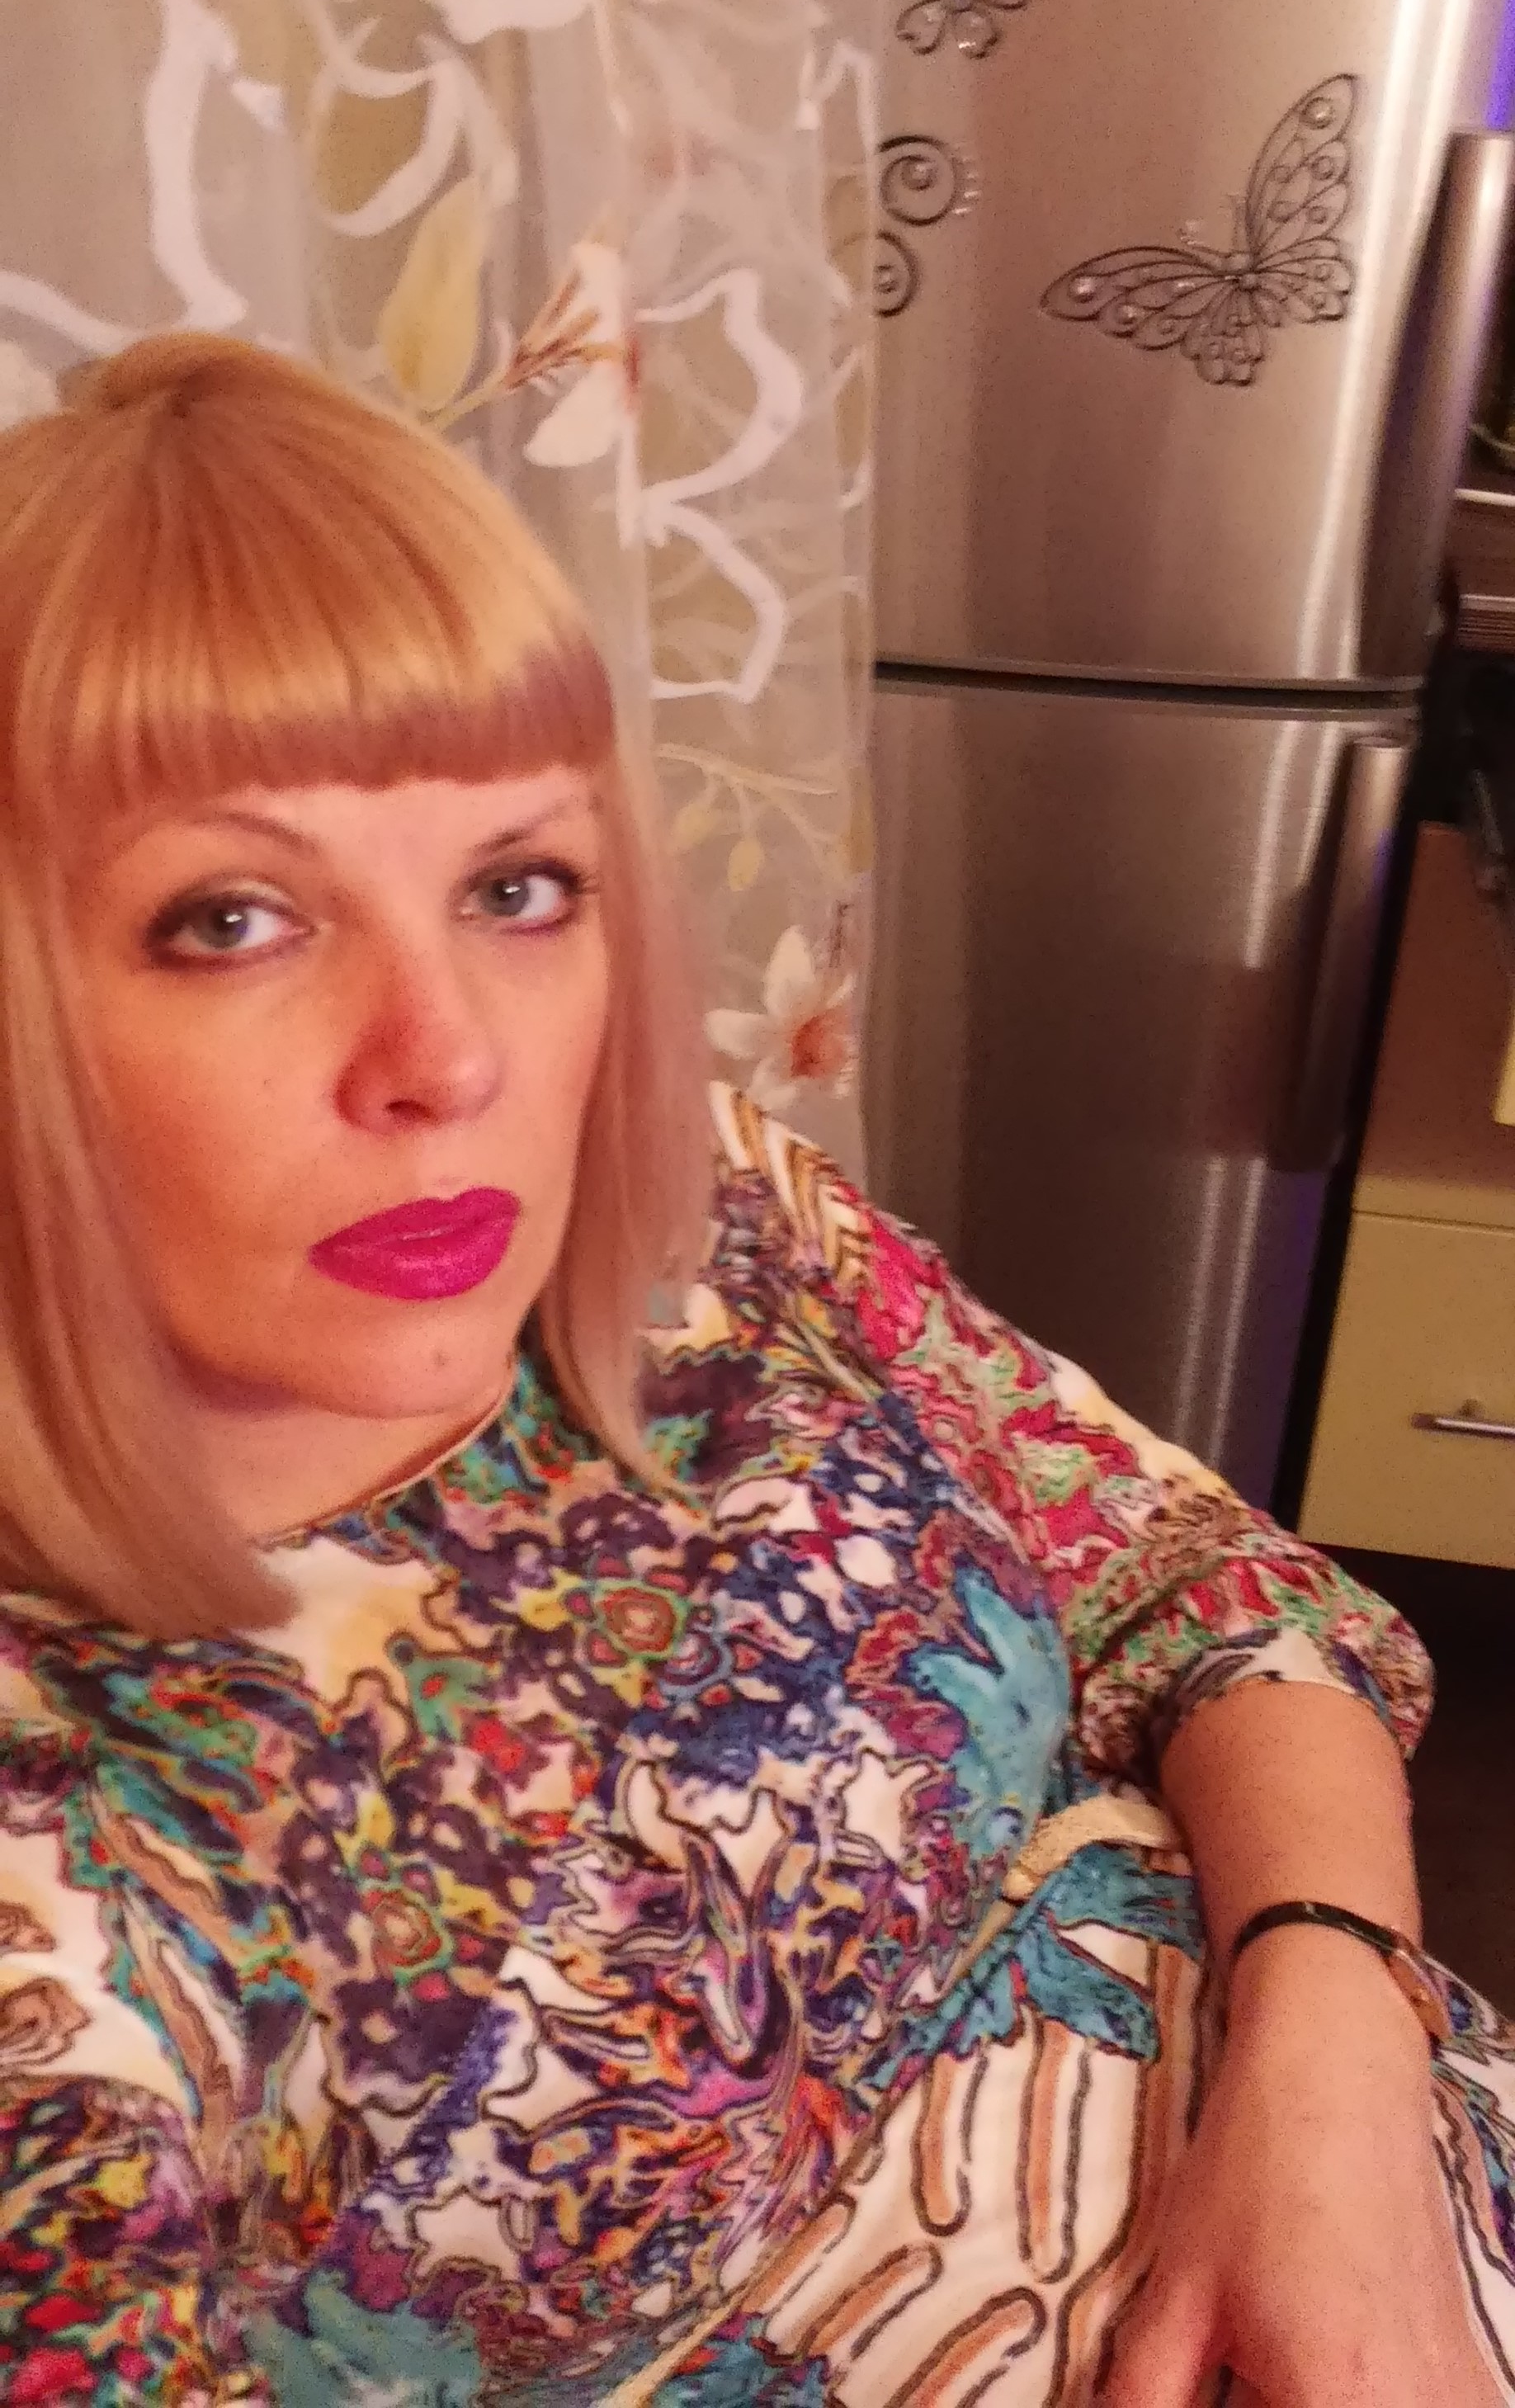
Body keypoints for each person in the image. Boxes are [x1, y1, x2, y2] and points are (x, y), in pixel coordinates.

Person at [0, 334, 1508, 2408]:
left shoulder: (697, 1221)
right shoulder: (56, 1883)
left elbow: (1203, 1588)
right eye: (231, 920)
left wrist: (1332, 2068)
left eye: (518, 887)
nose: (451, 1058)